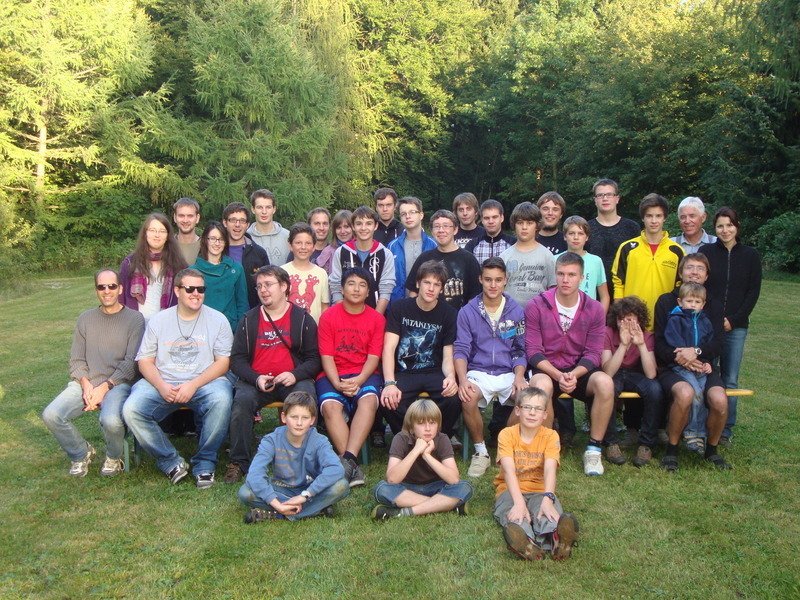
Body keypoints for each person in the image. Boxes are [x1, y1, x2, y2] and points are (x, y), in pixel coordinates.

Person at [122, 268, 234, 488]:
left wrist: (193, 384)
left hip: (204, 382)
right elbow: (145, 361)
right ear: (177, 290)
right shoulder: (159, 320)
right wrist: (161, 385)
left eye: (201, 289)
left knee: (222, 399)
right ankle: (170, 461)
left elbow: (223, 362)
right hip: (164, 380)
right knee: (132, 409)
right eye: (190, 289)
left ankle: (205, 463)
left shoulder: (218, 320)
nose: (196, 294)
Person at [42, 270, 145, 477]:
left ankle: (114, 457)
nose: (107, 291)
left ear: (120, 289)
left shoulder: (135, 319)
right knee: (51, 415)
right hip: (86, 384)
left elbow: (130, 364)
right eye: (101, 287)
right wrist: (86, 384)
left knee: (111, 421)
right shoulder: (85, 319)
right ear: (96, 290)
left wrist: (104, 387)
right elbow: (76, 359)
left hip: (118, 384)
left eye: (112, 286)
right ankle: (81, 453)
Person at [225, 265, 321, 484]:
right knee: (242, 402)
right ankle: (238, 462)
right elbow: (236, 359)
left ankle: (304, 459)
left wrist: (294, 374)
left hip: (292, 380)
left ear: (284, 286)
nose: (263, 290)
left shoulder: (302, 319)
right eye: (259, 286)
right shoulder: (249, 319)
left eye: (268, 284)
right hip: (257, 381)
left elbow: (314, 359)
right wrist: (256, 378)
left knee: (305, 400)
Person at [525, 252, 617, 475]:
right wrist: (558, 375)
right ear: (555, 275)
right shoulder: (537, 305)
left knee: (605, 383)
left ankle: (593, 449)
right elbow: (533, 352)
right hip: (548, 369)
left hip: (579, 370)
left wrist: (574, 375)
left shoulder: (594, 308)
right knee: (541, 386)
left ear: (581, 278)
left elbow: (594, 353)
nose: (565, 280)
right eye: (561, 274)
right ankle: (545, 447)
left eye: (572, 275)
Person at [654, 253, 731, 471]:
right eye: (689, 267)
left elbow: (717, 342)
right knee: (685, 393)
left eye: (700, 268)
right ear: (680, 273)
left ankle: (711, 449)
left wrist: (696, 354)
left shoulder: (712, 304)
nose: (694, 272)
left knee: (719, 399)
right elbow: (660, 343)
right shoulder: (666, 301)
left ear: (706, 275)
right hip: (671, 365)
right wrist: (682, 357)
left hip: (703, 365)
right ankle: (672, 449)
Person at [454, 257, 527, 478]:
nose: (493, 285)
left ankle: (506, 448)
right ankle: (481, 451)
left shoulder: (516, 311)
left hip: (507, 371)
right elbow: (461, 349)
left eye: (498, 280)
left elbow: (519, 349)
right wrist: (463, 380)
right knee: (467, 396)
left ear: (505, 280)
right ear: (480, 280)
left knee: (526, 398)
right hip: (479, 371)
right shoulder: (467, 311)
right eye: (488, 279)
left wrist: (519, 376)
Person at [317, 267, 386, 488]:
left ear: (368, 292)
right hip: (333, 374)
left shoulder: (376, 319)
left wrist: (359, 380)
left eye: (362, 285)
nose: (356, 289)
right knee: (330, 407)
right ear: (342, 288)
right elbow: (326, 356)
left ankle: (348, 460)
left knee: (368, 401)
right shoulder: (328, 317)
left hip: (365, 373)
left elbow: (374, 357)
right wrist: (337, 383)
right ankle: (353, 468)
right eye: (351, 284)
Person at [493, 387, 579, 561]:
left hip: (540, 490)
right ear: (518, 410)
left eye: (538, 409)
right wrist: (518, 502)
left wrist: (548, 498)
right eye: (527, 407)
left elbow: (550, 469)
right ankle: (527, 544)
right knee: (516, 518)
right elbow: (509, 471)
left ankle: (558, 541)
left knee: (549, 515)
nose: (532, 413)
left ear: (545, 414)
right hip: (509, 490)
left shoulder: (551, 436)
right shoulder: (506, 434)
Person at [699, 207, 762, 442]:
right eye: (720, 226)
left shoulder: (750, 255)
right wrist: (714, 320)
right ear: (714, 229)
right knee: (706, 373)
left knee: (730, 378)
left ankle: (725, 428)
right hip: (709, 325)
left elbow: (753, 292)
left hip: (736, 326)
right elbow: (701, 287)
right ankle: (703, 423)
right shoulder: (707, 252)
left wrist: (734, 319)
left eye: (729, 225)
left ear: (737, 226)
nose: (725, 230)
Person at [238, 391, 350, 523]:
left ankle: (277, 514)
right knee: (245, 492)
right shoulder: (271, 440)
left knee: (341, 486)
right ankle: (314, 509)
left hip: (310, 490)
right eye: (294, 417)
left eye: (305, 418)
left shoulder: (319, 441)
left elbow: (336, 469)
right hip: (281, 489)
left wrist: (305, 496)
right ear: (284, 417)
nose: (299, 423)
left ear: (312, 420)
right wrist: (277, 504)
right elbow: (255, 474)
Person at [380, 261, 460, 438]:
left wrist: (450, 377)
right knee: (388, 400)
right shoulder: (399, 308)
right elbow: (389, 348)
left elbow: (448, 355)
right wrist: (389, 383)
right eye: (427, 282)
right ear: (418, 283)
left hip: (434, 371)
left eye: (436, 284)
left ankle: (437, 441)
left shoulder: (449, 313)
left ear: (441, 289)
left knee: (453, 399)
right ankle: (408, 440)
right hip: (405, 371)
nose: (431, 288)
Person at [372, 399, 473, 519]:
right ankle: (444, 505)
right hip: (407, 488)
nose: (428, 428)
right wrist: (416, 451)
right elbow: (393, 479)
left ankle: (404, 512)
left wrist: (427, 456)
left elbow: (454, 479)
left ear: (438, 425)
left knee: (464, 487)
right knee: (381, 489)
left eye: (432, 423)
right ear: (411, 427)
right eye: (421, 423)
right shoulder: (400, 438)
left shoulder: (442, 439)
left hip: (437, 487)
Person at [601, 296, 663, 467]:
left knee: (655, 389)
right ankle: (611, 443)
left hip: (636, 373)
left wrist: (641, 345)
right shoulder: (607, 332)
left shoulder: (647, 336)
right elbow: (608, 372)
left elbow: (651, 374)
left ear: (639, 320)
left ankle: (646, 444)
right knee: (607, 388)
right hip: (614, 373)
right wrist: (623, 344)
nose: (625, 323)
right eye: (621, 319)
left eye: (630, 319)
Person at [612, 193, 684, 329]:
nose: (654, 221)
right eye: (649, 216)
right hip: (632, 319)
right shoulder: (627, 248)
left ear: (665, 218)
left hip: (666, 321)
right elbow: (618, 283)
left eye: (658, 216)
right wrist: (620, 314)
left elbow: (681, 287)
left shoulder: (677, 251)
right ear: (643, 218)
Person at [406, 210, 482, 311]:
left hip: (458, 318)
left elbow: (475, 296)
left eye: (446, 226)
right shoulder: (424, 258)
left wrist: (466, 317)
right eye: (437, 226)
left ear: (455, 230)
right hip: (427, 317)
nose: (441, 230)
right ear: (432, 231)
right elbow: (413, 291)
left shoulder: (469, 259)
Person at [120, 213, 187, 322]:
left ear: (167, 236)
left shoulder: (178, 265)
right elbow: (120, 297)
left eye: (162, 231)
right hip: (135, 324)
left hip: (166, 323)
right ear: (145, 233)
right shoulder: (130, 263)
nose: (157, 235)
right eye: (152, 230)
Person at [329, 206, 395, 315]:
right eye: (359, 223)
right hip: (346, 315)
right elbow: (336, 286)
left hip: (375, 314)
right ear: (353, 226)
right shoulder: (341, 252)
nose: (363, 228)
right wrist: (344, 315)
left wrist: (375, 319)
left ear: (375, 226)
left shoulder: (385, 254)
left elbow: (386, 290)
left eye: (369, 223)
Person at [586, 179, 639, 298]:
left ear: (617, 199)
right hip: (593, 293)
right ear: (595, 200)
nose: (605, 198)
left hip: (626, 292)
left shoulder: (632, 227)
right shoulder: (586, 228)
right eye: (600, 195)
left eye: (609, 194)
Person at [192, 221, 249, 331]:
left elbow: (242, 304)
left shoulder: (236, 269)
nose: (217, 243)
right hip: (200, 329)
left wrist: (240, 330)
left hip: (229, 329)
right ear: (205, 240)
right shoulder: (192, 272)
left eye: (221, 239)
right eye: (213, 238)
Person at [499, 202, 555, 308]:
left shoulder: (547, 256)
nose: (524, 227)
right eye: (520, 223)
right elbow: (499, 289)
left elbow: (553, 289)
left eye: (529, 223)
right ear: (514, 225)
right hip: (511, 313)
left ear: (537, 226)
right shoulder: (504, 256)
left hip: (540, 312)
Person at [387, 196, 436, 302]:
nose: (408, 216)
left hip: (428, 305)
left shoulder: (434, 245)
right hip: (399, 305)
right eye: (403, 214)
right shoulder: (392, 246)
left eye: (412, 212)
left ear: (421, 215)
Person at [222, 201, 269, 309]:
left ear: (247, 225)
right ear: (225, 223)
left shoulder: (259, 253)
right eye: (233, 220)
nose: (237, 225)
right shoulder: (216, 251)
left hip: (251, 313)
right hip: (221, 313)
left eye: (242, 221)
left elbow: (267, 286)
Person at [558, 216, 609, 312]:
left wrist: (600, 317)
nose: (576, 237)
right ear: (565, 236)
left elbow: (604, 296)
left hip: (588, 315)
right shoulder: (555, 260)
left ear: (587, 237)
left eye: (580, 233)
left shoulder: (596, 261)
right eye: (571, 233)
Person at [282, 223, 330, 322]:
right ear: (290, 245)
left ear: (314, 246)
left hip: (314, 328)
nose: (303, 247)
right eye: (298, 243)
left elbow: (324, 306)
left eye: (308, 243)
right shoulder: (282, 272)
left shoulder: (321, 273)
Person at [465, 199, 515, 265]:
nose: (491, 221)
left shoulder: (513, 244)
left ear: (502, 218)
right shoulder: (472, 246)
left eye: (494, 217)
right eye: (486, 218)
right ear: (482, 220)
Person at [246, 189, 290, 265]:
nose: (264, 212)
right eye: (260, 207)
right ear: (253, 209)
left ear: (274, 209)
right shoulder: (246, 238)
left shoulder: (288, 236)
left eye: (268, 207)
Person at [318, 209, 354, 274]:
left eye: (346, 227)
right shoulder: (328, 251)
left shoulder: (361, 249)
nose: (342, 231)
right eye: (339, 227)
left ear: (353, 228)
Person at [172, 197, 202, 265]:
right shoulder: (167, 245)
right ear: (175, 217)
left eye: (190, 216)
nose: (185, 220)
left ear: (197, 218)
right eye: (181, 216)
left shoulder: (207, 246)